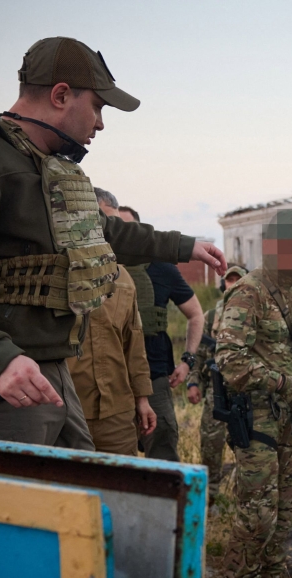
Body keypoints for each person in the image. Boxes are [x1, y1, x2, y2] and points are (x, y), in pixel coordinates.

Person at [0, 36, 226, 449]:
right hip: (2, 383)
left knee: (76, 500)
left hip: (51, 370)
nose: (101, 123)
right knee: (20, 508)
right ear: (61, 95)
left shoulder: (47, 167)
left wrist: (182, 246)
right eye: (98, 107)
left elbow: (101, 234)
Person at [215, 210, 292, 578]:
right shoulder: (248, 292)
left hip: (287, 416)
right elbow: (229, 360)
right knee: (257, 509)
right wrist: (281, 382)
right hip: (255, 414)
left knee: (287, 505)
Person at [65, 188, 157, 455]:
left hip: (117, 412)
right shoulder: (54, 273)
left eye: (116, 225)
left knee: (120, 487)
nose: (111, 233)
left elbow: (134, 343)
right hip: (67, 408)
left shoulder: (124, 279)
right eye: (105, 223)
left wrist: (142, 399)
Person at [116, 205, 206, 461]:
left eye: (127, 228)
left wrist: (188, 361)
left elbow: (196, 315)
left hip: (155, 376)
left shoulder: (162, 268)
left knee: (163, 452)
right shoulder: (96, 267)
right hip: (109, 379)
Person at [188, 264, 248, 503]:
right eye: (229, 280)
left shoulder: (256, 315)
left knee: (246, 446)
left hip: (246, 392)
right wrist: (193, 383)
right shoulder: (211, 316)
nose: (232, 285)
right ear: (223, 284)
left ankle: (243, 498)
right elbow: (199, 355)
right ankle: (210, 497)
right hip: (217, 390)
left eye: (238, 280)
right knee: (211, 446)